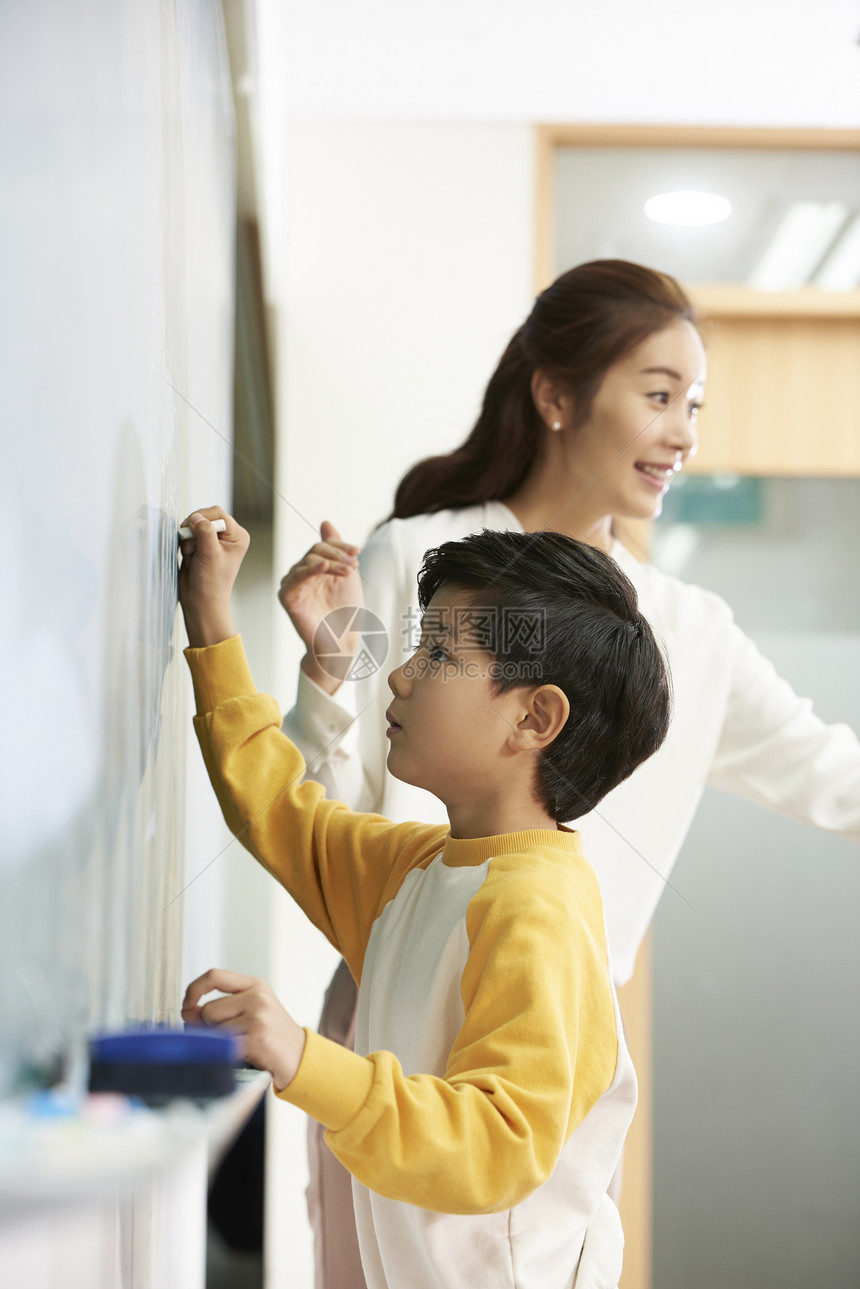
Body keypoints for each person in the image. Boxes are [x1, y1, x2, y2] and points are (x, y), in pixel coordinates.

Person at [278, 258, 860, 1288]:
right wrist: (324, 677)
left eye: (693, 404)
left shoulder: (687, 630)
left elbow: (830, 774)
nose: (682, 431)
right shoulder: (415, 556)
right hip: (389, 1035)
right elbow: (328, 802)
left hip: (548, 1052)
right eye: (655, 394)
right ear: (554, 395)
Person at [178, 508, 674, 1289]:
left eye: (439, 652)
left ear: (534, 717)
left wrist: (304, 1057)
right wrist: (210, 621)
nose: (403, 673)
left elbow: (495, 1144)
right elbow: (275, 808)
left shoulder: (537, 907)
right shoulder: (419, 869)